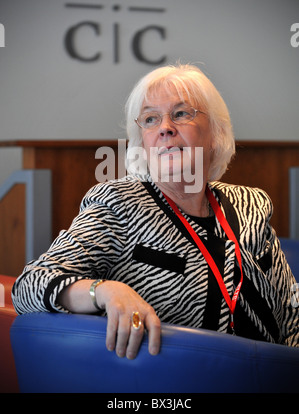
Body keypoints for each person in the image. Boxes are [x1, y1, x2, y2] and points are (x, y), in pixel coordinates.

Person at [12, 63, 299, 359]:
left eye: (181, 114)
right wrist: (105, 291)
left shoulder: (250, 206)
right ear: (142, 144)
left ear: (215, 133)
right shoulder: (119, 202)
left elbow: (292, 311)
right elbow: (30, 284)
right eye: (150, 119)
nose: (165, 128)